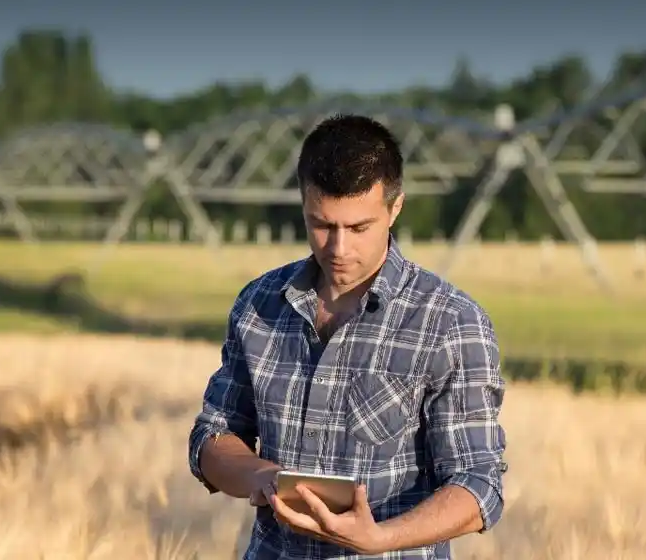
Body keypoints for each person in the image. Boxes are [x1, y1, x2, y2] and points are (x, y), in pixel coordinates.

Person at [188, 114, 507, 559]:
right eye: (322, 225)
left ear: (395, 208)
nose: (339, 249)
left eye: (359, 228)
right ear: (303, 204)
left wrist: (380, 538)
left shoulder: (450, 322)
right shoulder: (259, 304)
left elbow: (479, 483)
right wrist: (259, 476)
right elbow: (212, 436)